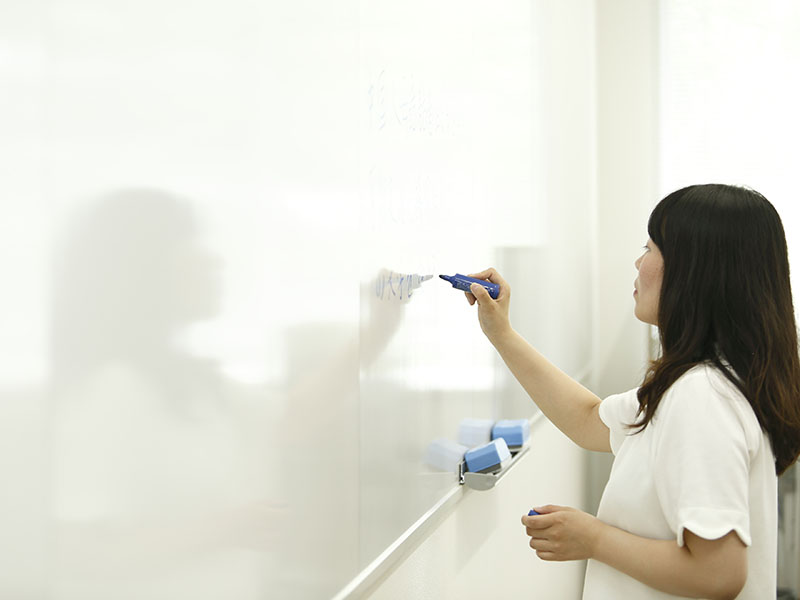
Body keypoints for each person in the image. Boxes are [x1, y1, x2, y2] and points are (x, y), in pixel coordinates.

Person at [465, 184, 800, 599]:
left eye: (650, 248)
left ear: (695, 272)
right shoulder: (703, 383)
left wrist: (593, 538)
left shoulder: (704, 397)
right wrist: (502, 334)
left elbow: (718, 573)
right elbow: (588, 419)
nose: (639, 263)